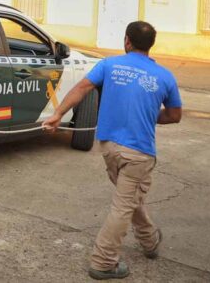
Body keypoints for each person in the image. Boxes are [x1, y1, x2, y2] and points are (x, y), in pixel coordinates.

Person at [43, 21, 181, 280]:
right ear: (150, 45)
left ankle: (149, 241)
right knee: (124, 205)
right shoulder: (165, 76)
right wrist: (152, 115)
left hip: (108, 148)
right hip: (139, 152)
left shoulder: (109, 65)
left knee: (129, 198)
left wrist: (57, 114)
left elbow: (81, 88)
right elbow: (175, 115)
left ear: (127, 41)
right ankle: (103, 262)